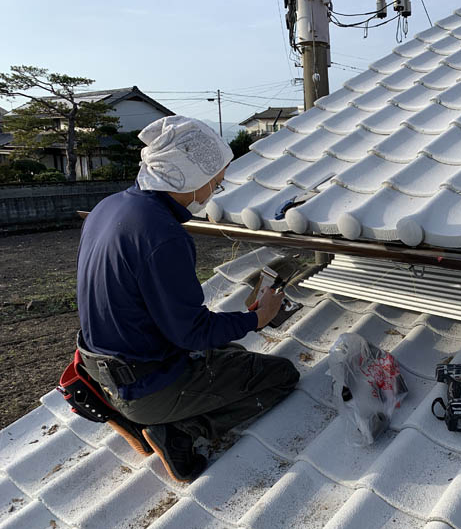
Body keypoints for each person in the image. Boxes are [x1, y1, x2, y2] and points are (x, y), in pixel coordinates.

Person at [76, 116, 299, 482]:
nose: (219, 183)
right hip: (143, 385)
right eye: (215, 176)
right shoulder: (162, 234)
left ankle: (133, 418)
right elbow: (191, 333)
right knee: (279, 375)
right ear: (186, 174)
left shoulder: (109, 207)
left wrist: (235, 327)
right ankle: (177, 432)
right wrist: (257, 319)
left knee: (236, 358)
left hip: (100, 370)